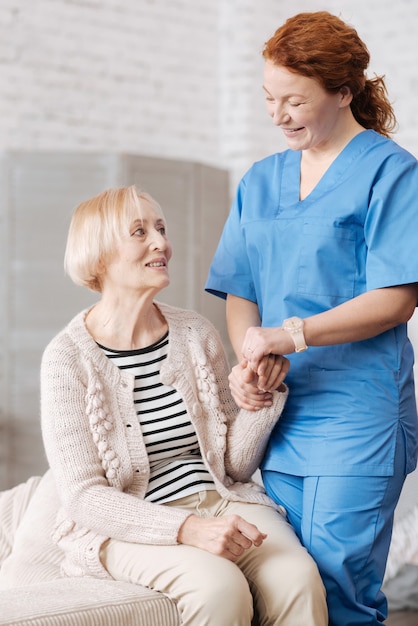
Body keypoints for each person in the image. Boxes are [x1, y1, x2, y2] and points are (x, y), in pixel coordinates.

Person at [205, 10, 418, 626]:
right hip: (277, 420)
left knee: (340, 595)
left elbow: (396, 297)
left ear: (344, 92)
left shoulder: (390, 172)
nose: (278, 115)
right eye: (270, 98)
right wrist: (250, 357)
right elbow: (240, 286)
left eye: (295, 100)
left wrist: (289, 335)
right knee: (284, 591)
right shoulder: (261, 179)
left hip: (356, 418)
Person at [40, 185, 327, 626]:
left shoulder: (195, 333)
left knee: (298, 578)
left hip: (223, 499)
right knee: (218, 589)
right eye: (140, 232)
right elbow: (82, 496)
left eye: (161, 228)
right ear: (99, 255)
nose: (161, 242)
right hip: (130, 526)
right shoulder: (67, 359)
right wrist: (187, 529)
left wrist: (260, 397)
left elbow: (233, 466)